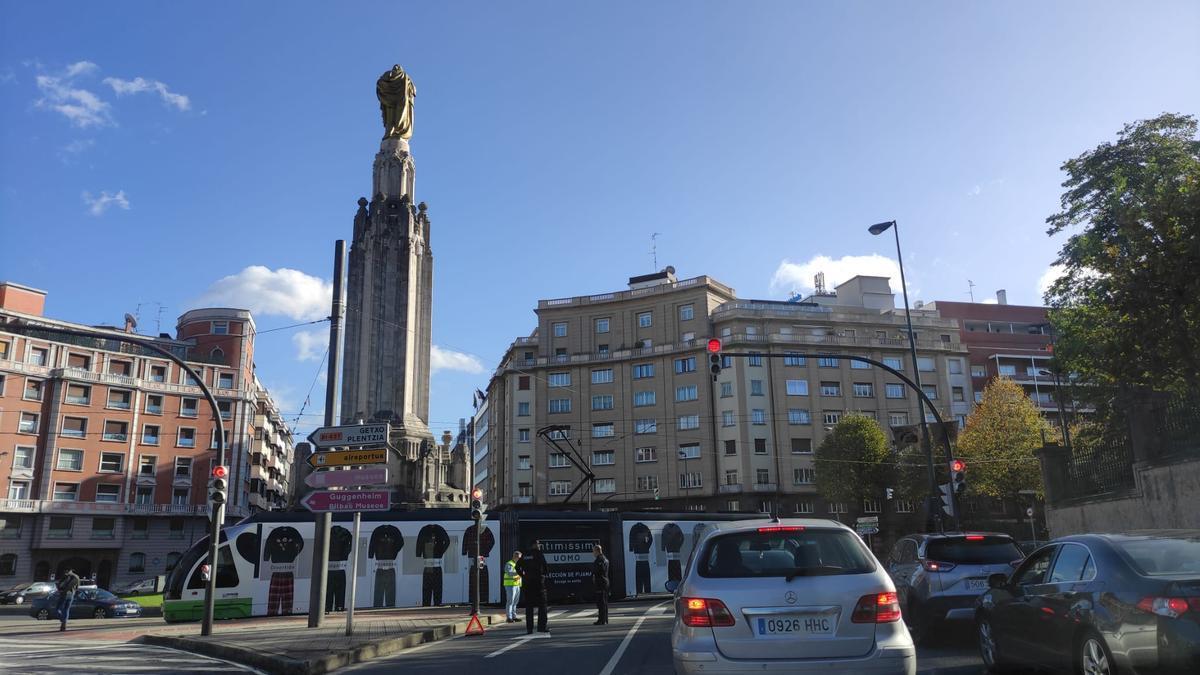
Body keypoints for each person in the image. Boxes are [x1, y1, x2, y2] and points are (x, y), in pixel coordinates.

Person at [516, 541, 549, 634]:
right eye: (538, 544)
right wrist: (544, 575)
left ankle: (529, 629)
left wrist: (523, 576)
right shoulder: (539, 554)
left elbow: (517, 567)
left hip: (528, 583)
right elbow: (545, 566)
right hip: (538, 583)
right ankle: (541, 627)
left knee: (529, 607)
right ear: (534, 545)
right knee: (542, 606)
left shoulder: (525, 554)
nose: (539, 546)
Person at [502, 550, 523, 623]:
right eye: (519, 558)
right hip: (510, 585)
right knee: (510, 601)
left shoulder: (519, 564)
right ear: (515, 557)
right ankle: (509, 617)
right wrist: (520, 572)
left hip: (517, 585)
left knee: (515, 602)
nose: (520, 559)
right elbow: (510, 573)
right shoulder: (509, 564)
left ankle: (514, 616)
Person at [592, 545, 610, 626]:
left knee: (601, 602)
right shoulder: (605, 559)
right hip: (605, 581)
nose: (593, 553)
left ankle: (601, 620)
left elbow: (597, 571)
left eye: (594, 551)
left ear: (597, 551)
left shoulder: (599, 560)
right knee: (604, 602)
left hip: (600, 582)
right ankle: (605, 619)